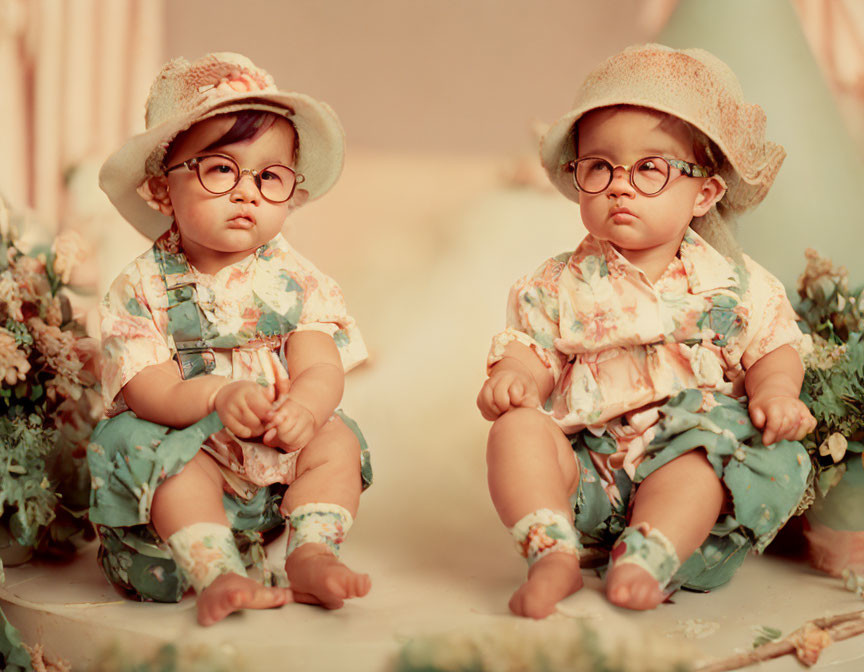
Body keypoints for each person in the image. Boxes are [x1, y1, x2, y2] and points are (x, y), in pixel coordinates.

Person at [477, 44, 816, 619]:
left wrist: (775, 392)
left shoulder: (734, 283)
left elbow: (773, 347)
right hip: (587, 474)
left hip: (684, 474)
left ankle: (648, 557)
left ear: (704, 193)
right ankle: (552, 551)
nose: (619, 186)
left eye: (650, 169)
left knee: (700, 458)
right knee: (515, 432)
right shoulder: (558, 281)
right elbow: (532, 349)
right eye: (600, 166)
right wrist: (515, 377)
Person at [88, 52, 372, 626]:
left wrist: (305, 406)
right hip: (192, 443)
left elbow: (321, 365)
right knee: (171, 465)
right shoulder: (140, 286)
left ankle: (313, 551)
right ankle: (217, 572)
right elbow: (148, 387)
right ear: (163, 191)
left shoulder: (298, 279)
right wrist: (215, 397)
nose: (247, 193)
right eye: (221, 169)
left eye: (269, 177)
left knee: (335, 442)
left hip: (272, 446)